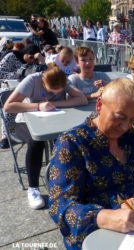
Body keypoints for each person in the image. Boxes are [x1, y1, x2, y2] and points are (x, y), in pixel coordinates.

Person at [48, 78, 134, 249]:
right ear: (99, 106)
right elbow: (59, 206)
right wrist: (104, 217)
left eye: (132, 119)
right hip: (97, 237)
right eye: (119, 117)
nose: (125, 126)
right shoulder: (72, 143)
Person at [4, 66, 87, 210]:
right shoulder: (32, 80)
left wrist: (54, 104)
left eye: (58, 92)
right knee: (37, 141)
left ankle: (68, 181)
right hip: (25, 122)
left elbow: (82, 99)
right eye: (50, 91)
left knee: (68, 139)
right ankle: (33, 188)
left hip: (53, 121)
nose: (54, 93)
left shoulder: (64, 81)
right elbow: (8, 106)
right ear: (43, 82)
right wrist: (38, 106)